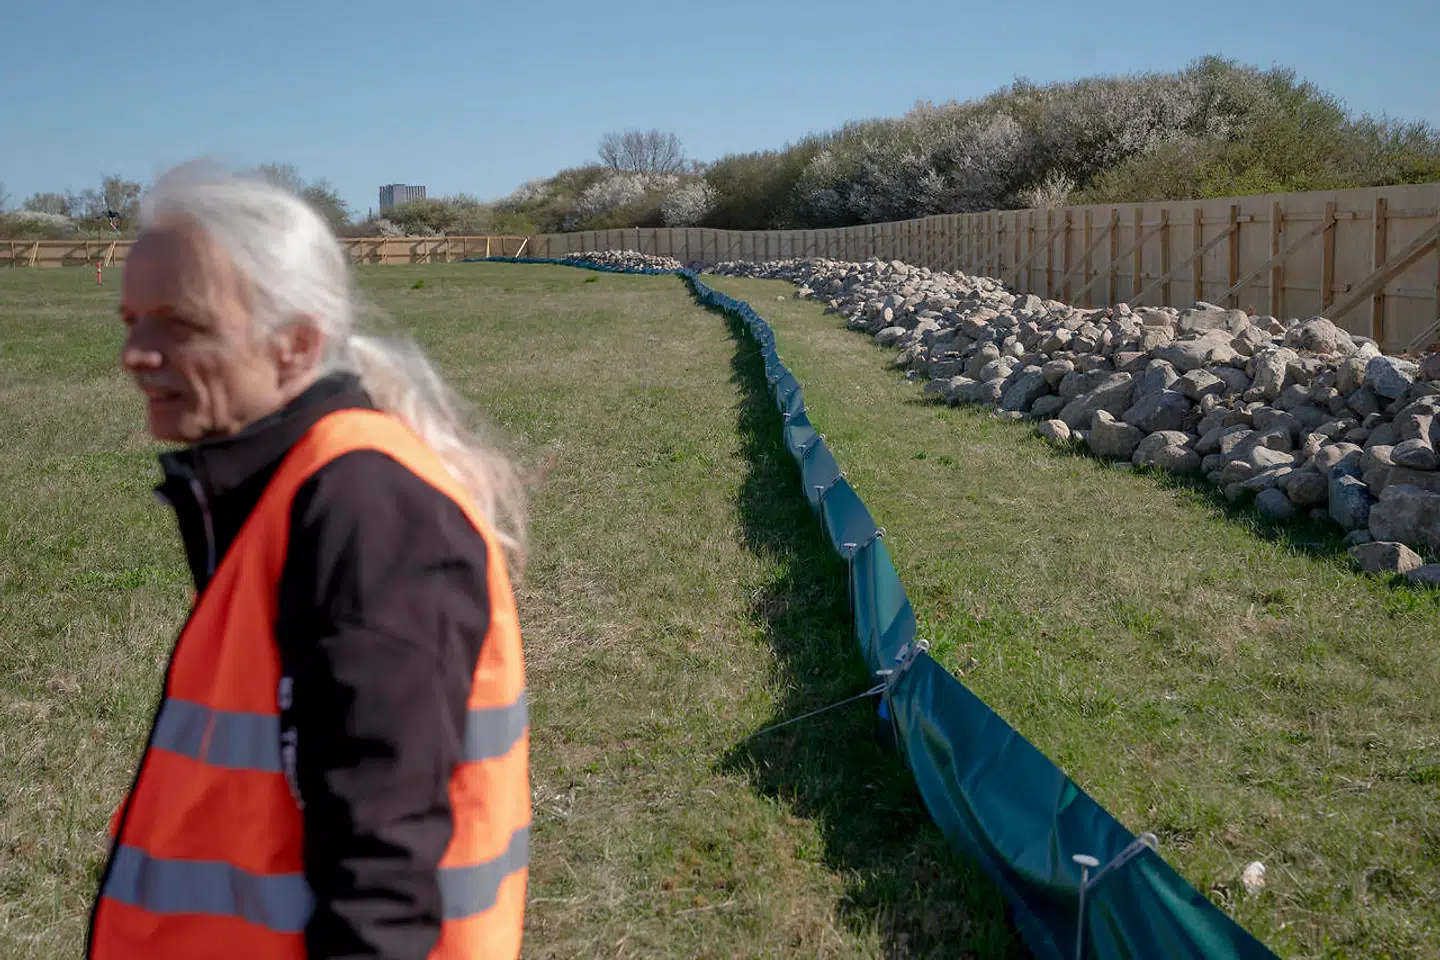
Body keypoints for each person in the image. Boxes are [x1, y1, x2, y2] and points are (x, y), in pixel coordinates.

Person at [87, 162, 531, 959]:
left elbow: (383, 871)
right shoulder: (290, 486)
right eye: (130, 321)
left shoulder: (366, 510)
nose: (135, 354)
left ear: (295, 345)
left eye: (178, 324)